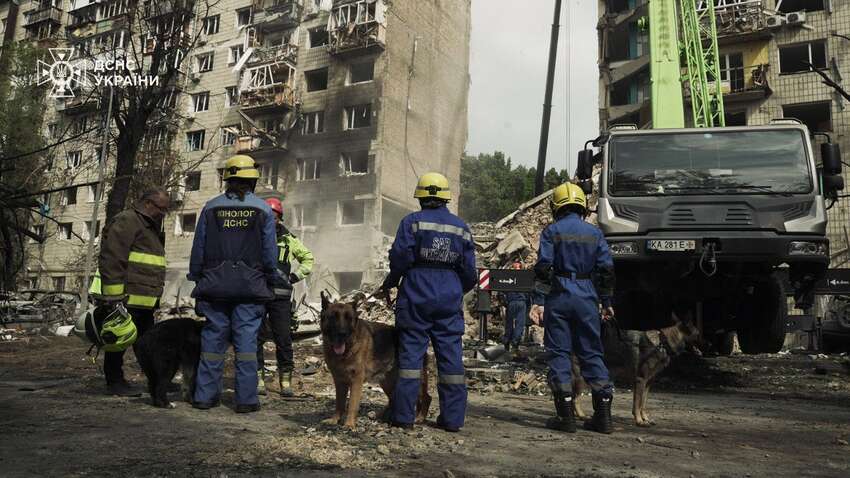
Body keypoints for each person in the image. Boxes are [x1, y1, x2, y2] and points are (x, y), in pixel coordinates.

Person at [381, 172, 477, 432]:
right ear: (446, 198)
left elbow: (399, 257)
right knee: (451, 360)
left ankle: (403, 417)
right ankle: (452, 420)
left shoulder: (411, 222)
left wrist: (393, 280)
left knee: (411, 358)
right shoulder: (461, 227)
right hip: (448, 296)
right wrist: (455, 289)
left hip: (416, 293)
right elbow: (470, 272)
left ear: (421, 197)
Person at [188, 155, 280, 413]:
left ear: (227, 178)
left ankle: (205, 397)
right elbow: (269, 252)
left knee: (213, 343)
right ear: (252, 181)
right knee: (247, 345)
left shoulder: (210, 207)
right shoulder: (262, 209)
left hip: (214, 286)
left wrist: (197, 276)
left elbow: (199, 248)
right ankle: (246, 400)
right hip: (250, 287)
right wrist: (270, 279)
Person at [530, 182, 616, 434]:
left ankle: (565, 417)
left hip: (559, 296)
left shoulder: (551, 231)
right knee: (591, 352)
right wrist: (607, 302)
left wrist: (538, 301)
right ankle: (603, 418)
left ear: (556, 206)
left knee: (559, 353)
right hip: (587, 296)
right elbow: (606, 270)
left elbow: (544, 267)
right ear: (582, 206)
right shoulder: (595, 233)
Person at [90, 189, 170, 397]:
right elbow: (112, 258)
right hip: (125, 298)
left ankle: (158, 380)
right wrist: (114, 297)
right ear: (147, 204)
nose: (164, 213)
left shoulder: (149, 226)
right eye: (161, 208)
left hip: (144, 299)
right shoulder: (127, 221)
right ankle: (114, 381)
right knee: (118, 341)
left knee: (148, 344)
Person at [256, 197, 314, 397]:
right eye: (266, 217)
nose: (269, 221)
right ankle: (258, 380)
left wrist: (295, 276)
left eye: (273, 217)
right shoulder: (254, 237)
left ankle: (285, 382)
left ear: (279, 218)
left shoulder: (289, 239)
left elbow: (308, 258)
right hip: (258, 295)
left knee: (283, 339)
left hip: (280, 298)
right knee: (256, 338)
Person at [502, 261, 530, 353]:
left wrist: (504, 302)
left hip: (511, 302)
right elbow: (529, 292)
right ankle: (515, 343)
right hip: (521, 303)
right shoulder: (525, 277)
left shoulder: (508, 276)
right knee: (519, 324)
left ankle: (506, 342)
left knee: (509, 324)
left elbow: (502, 291)